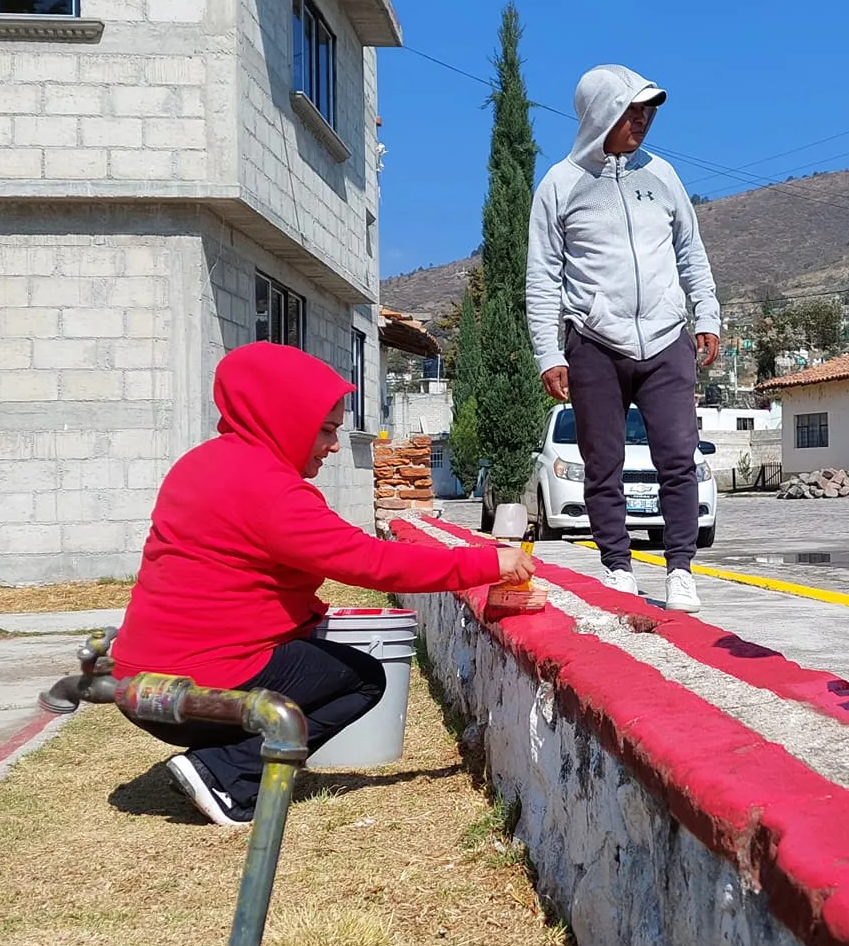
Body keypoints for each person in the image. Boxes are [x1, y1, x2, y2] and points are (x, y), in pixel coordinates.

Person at [112, 341, 533, 826]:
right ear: (284, 418)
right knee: (362, 678)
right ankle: (225, 774)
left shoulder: (201, 464)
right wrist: (488, 563)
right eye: (327, 430)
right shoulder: (274, 492)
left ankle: (227, 761)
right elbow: (374, 563)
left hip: (136, 682)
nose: (334, 445)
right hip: (196, 690)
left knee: (312, 643)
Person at [527, 64, 721, 611]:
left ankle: (680, 569)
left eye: (648, 110)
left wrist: (705, 316)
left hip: (666, 341)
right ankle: (617, 566)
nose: (642, 120)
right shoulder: (560, 185)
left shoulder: (663, 175)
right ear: (600, 114)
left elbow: (690, 251)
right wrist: (548, 350)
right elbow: (541, 275)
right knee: (602, 463)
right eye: (631, 110)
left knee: (678, 458)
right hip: (593, 342)